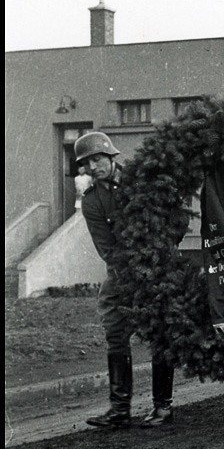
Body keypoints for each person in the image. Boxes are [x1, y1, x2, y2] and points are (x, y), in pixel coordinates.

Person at [76, 132, 175, 428]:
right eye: (87, 163)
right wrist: (131, 274)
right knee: (116, 332)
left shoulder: (141, 182)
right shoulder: (93, 202)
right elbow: (107, 248)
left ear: (110, 157)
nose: (94, 167)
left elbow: (174, 217)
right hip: (122, 274)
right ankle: (120, 409)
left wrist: (158, 256)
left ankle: (163, 407)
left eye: (97, 159)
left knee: (160, 334)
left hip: (158, 268)